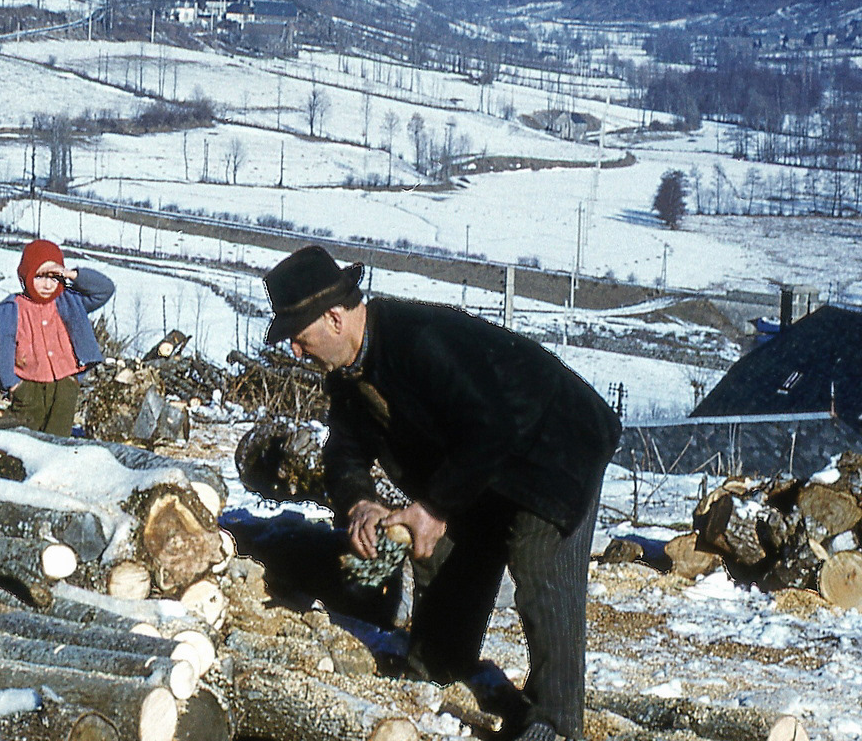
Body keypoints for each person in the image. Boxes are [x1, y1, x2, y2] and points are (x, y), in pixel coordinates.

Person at [263, 245, 620, 741]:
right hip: (484, 456)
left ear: (334, 318)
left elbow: (491, 426)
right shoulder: (348, 375)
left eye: (301, 339)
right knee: (440, 550)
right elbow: (343, 452)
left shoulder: (420, 341)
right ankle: (440, 665)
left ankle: (556, 722)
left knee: (540, 567)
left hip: (555, 446)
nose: (297, 353)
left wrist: (433, 507)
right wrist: (360, 501)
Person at [0, 239, 111, 436]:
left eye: (54, 277)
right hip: (27, 388)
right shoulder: (11, 309)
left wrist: (70, 273)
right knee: (25, 441)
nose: (48, 284)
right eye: (39, 277)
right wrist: (11, 385)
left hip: (65, 385)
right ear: (26, 276)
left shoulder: (70, 300)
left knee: (57, 441)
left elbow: (104, 290)